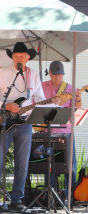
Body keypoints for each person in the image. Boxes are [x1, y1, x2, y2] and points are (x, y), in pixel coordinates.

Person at [0, 42, 46, 213]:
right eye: (16, 55)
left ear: (28, 57)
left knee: (22, 163)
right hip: (5, 122)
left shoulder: (33, 75)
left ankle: (17, 200)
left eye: (22, 56)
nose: (18, 58)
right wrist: (5, 106)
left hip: (25, 123)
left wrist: (52, 102)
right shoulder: (3, 72)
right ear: (12, 57)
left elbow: (40, 97)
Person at [42, 61, 82, 192]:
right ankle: (50, 195)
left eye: (61, 75)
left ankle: (71, 195)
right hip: (47, 131)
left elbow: (77, 110)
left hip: (66, 132)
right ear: (50, 73)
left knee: (70, 165)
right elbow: (36, 105)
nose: (58, 77)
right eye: (56, 75)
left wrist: (78, 99)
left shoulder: (71, 88)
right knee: (49, 166)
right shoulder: (42, 87)